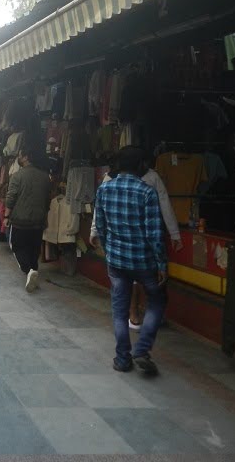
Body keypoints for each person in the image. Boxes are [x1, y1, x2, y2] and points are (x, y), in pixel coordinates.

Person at [92, 146, 167, 375]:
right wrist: (162, 263)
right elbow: (154, 234)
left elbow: (101, 228)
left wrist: (109, 250)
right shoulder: (147, 192)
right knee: (157, 300)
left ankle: (123, 358)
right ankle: (142, 349)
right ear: (141, 166)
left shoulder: (104, 189)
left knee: (119, 310)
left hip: (117, 261)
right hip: (144, 262)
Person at [91, 156, 182, 329]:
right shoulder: (149, 182)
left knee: (125, 284)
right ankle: (145, 317)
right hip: (142, 247)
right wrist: (174, 234)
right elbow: (164, 208)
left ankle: (133, 317)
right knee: (146, 281)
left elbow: (99, 213)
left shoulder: (109, 180)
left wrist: (97, 234)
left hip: (118, 246)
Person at [4, 148, 51, 292]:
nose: (18, 158)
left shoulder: (17, 176)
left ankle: (29, 270)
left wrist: (6, 216)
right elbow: (47, 200)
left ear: (25, 157)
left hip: (20, 220)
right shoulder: (45, 177)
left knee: (17, 246)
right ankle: (33, 270)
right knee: (34, 248)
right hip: (38, 220)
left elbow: (11, 197)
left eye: (19, 155)